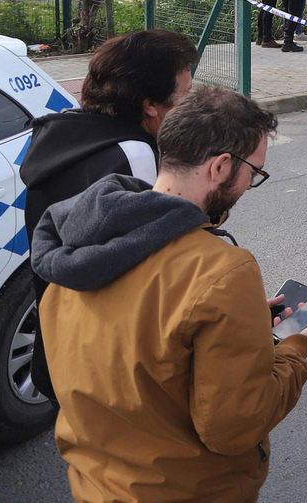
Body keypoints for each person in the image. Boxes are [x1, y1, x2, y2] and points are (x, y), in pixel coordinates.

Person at [31, 85, 307, 503]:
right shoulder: (223, 271)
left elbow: (129, 349)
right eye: (253, 172)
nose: (250, 183)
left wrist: (237, 325)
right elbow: (233, 428)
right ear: (222, 167)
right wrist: (294, 350)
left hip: (95, 483)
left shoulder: (76, 238)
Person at [19, 28, 199, 398]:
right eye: (185, 94)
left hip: (59, 346)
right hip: (107, 368)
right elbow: (150, 272)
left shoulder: (61, 132)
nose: (191, 104)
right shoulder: (133, 155)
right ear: (151, 104)